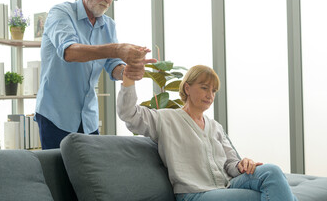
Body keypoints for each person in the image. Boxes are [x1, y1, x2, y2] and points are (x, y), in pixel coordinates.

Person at [117, 65, 298, 201]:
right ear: (187, 88)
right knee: (258, 197)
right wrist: (128, 78)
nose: (210, 95)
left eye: (213, 90)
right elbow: (129, 114)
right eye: (204, 87)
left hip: (226, 185)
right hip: (196, 194)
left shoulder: (215, 126)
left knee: (271, 171)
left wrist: (243, 164)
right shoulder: (165, 119)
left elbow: (231, 165)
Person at [35, 0, 155, 149]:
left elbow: (113, 65)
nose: (108, 0)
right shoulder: (60, 13)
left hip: (88, 117)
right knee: (58, 176)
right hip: (56, 115)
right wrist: (116, 49)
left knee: (90, 176)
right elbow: (70, 52)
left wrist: (127, 71)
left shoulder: (109, 25)